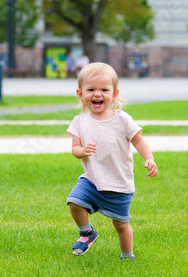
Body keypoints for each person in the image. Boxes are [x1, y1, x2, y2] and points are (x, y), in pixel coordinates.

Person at [66, 62, 158, 260]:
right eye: (90, 89)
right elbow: (75, 149)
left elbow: (139, 141)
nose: (97, 94)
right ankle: (87, 232)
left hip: (119, 184)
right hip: (92, 179)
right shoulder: (79, 122)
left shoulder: (122, 119)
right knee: (74, 201)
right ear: (80, 94)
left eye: (104, 90)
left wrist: (149, 158)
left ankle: (127, 255)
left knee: (121, 224)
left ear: (114, 94)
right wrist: (82, 151)